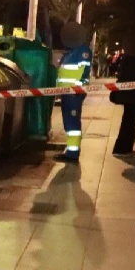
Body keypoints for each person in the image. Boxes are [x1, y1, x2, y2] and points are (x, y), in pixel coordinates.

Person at [54, 21, 92, 163]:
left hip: (74, 93)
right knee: (69, 123)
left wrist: (78, 88)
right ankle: (70, 149)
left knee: (73, 124)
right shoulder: (70, 52)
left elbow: (84, 73)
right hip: (67, 93)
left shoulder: (83, 51)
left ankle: (73, 153)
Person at [111, 37, 135, 158]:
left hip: (127, 94)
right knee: (129, 122)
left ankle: (122, 148)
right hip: (131, 95)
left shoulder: (125, 59)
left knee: (127, 120)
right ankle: (123, 149)